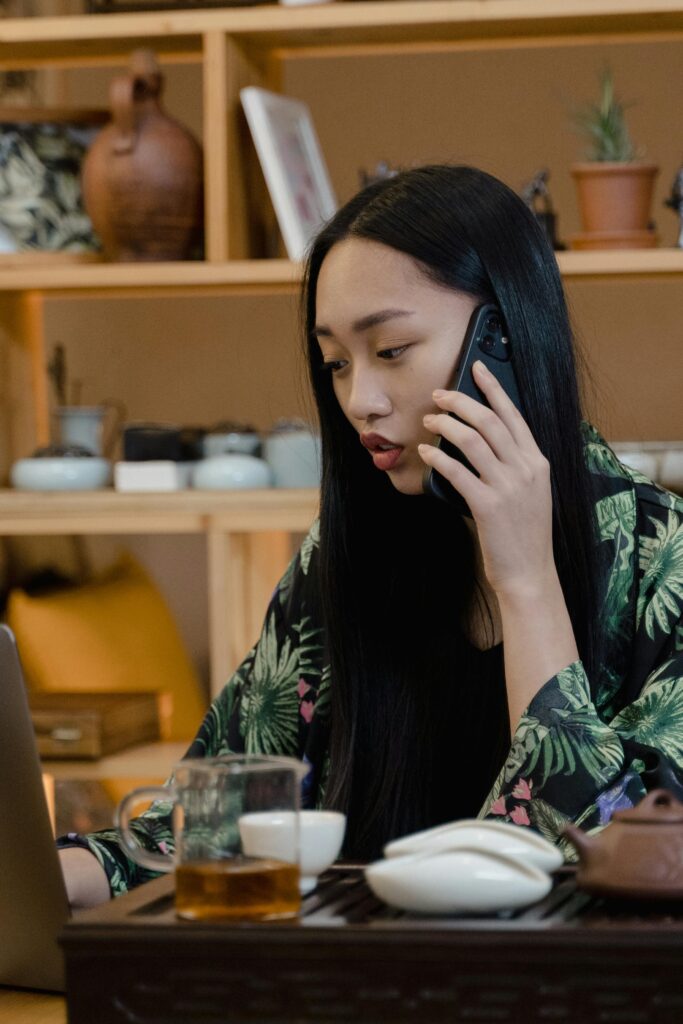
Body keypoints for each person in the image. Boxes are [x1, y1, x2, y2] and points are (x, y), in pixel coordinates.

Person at [59, 164, 683, 907]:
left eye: (390, 351)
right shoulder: (343, 554)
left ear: (506, 342)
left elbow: (624, 861)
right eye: (335, 363)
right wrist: (39, 885)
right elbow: (204, 832)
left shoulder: (661, 559)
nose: (360, 399)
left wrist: (524, 582)